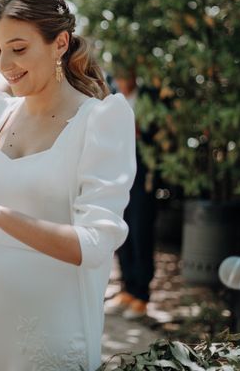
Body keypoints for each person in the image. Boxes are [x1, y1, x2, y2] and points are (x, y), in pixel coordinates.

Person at [0, 0, 136, 371]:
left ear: (60, 43)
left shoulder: (101, 121)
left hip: (45, 331)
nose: (4, 65)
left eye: (18, 49)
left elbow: (93, 244)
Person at [105, 66, 156, 319]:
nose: (123, 80)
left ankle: (142, 294)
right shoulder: (110, 90)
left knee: (140, 231)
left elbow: (156, 134)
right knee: (119, 228)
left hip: (142, 173)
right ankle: (126, 287)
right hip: (116, 171)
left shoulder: (148, 97)